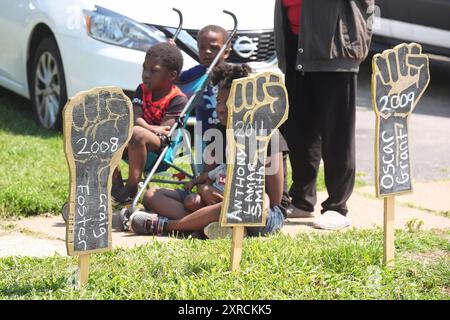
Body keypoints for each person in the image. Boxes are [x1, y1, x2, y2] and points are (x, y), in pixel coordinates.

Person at [126, 63, 290, 238]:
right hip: (217, 203)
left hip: (263, 213)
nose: (220, 108)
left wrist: (227, 196)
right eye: (219, 101)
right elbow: (206, 179)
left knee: (234, 205)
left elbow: (273, 200)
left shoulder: (268, 135)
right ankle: (208, 226)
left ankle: (167, 226)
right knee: (152, 195)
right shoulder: (218, 131)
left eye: (229, 103)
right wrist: (205, 190)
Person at [274, 0, 374, 230]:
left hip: (335, 50)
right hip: (297, 49)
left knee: (337, 134)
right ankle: (302, 199)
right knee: (299, 131)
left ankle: (337, 207)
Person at [112, 43, 188, 204]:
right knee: (109, 132)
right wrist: (150, 127)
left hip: (159, 149)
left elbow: (165, 131)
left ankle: (132, 188)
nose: (146, 75)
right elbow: (135, 118)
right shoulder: (142, 89)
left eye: (153, 71)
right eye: (144, 69)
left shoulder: (177, 99)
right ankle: (116, 187)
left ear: (171, 75)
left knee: (137, 133)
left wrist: (146, 128)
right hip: (136, 138)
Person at [174, 25, 231, 172]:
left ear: (226, 52)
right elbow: (175, 78)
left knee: (226, 170)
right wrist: (173, 52)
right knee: (202, 172)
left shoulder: (232, 74)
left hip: (227, 134)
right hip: (203, 133)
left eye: (214, 48)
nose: (207, 52)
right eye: (202, 48)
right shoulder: (197, 72)